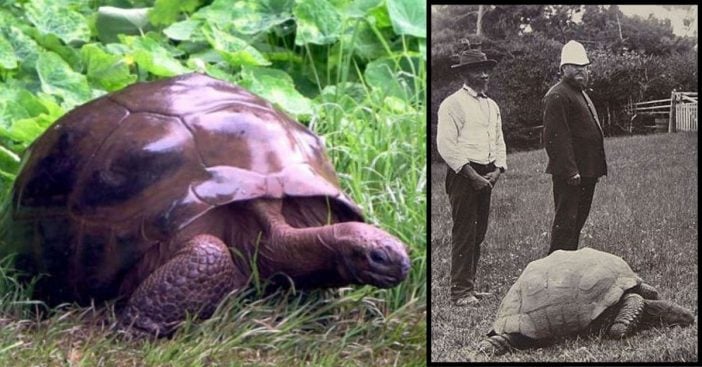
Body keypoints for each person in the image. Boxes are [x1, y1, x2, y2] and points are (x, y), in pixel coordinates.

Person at [437, 49, 507, 306]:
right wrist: (471, 175)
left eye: (487, 69)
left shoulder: (491, 105)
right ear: (465, 73)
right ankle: (460, 292)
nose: (485, 74)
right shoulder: (452, 104)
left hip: (487, 173)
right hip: (463, 175)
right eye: (479, 69)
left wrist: (498, 169)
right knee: (465, 232)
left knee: (479, 233)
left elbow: (498, 139)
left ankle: (470, 286)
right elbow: (446, 145)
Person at [542, 40, 607, 255]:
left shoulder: (580, 93)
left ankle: (567, 265)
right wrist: (570, 170)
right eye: (575, 66)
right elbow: (555, 138)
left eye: (584, 66)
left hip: (587, 171)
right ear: (563, 69)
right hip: (571, 174)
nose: (581, 70)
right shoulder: (557, 95)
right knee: (566, 224)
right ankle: (555, 269)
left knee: (576, 223)